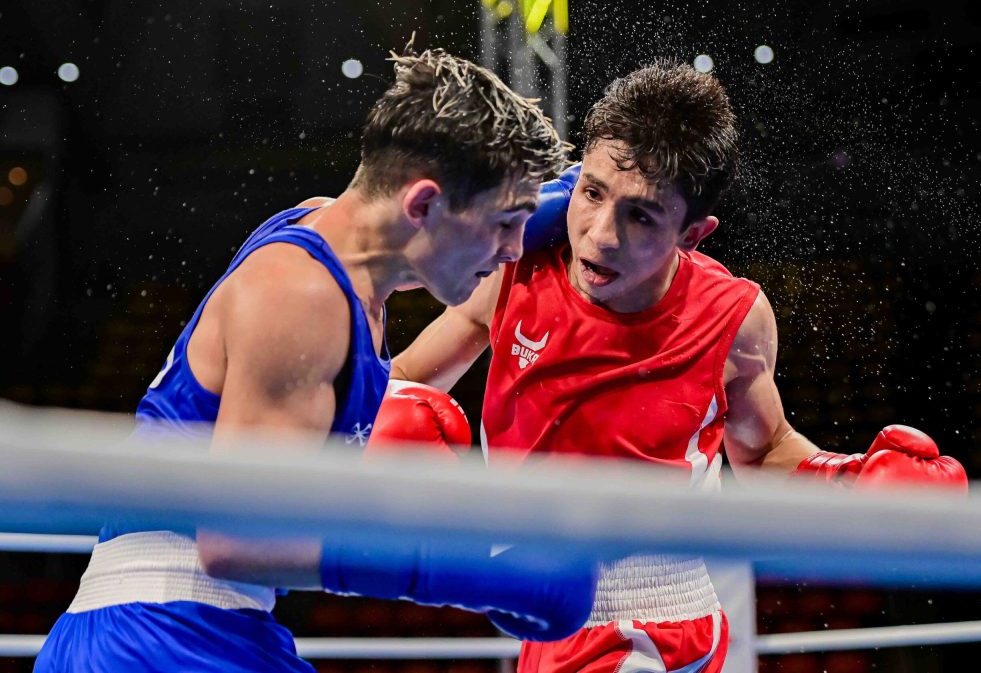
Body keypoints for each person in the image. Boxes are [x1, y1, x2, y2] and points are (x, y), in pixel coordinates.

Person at [368, 59, 968, 672]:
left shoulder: (732, 317)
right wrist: (396, 428)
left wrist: (845, 480)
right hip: (541, 616)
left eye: (642, 216)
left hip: (653, 624)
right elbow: (405, 383)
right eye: (592, 193)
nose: (601, 235)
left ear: (693, 233)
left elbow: (763, 451)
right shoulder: (514, 271)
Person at [34, 46, 596, 673]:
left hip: (179, 629)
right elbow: (239, 542)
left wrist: (575, 199)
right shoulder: (300, 296)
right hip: (163, 636)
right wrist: (470, 575)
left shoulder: (328, 247)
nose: (515, 247)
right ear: (422, 205)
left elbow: (373, 384)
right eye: (505, 223)